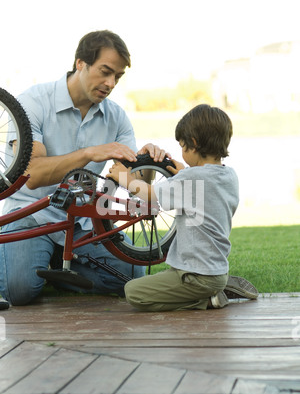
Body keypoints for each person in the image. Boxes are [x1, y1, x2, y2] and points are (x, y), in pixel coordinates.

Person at [0, 30, 168, 306]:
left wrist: (149, 162)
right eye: (105, 71)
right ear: (80, 63)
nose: (110, 83)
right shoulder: (34, 102)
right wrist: (89, 153)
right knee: (20, 291)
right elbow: (33, 176)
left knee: (132, 276)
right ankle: (45, 261)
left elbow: (134, 184)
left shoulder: (117, 118)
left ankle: (58, 265)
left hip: (81, 220)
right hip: (30, 214)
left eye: (117, 76)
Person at [107, 104, 258, 311]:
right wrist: (185, 173)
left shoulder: (191, 178)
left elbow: (151, 197)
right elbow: (204, 191)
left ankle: (208, 298)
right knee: (160, 282)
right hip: (212, 269)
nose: (182, 152)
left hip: (196, 276)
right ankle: (218, 285)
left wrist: (124, 178)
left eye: (183, 146)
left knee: (133, 292)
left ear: (193, 144)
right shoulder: (229, 175)